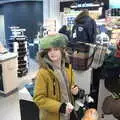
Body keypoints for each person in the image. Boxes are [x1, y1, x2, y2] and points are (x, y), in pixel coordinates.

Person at [33, 33, 80, 120]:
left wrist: (75, 91)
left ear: (62, 50)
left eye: (55, 49)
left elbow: (71, 85)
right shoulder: (43, 73)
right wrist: (60, 107)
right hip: (52, 117)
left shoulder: (67, 67)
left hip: (68, 114)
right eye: (49, 50)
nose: (52, 53)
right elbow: (38, 98)